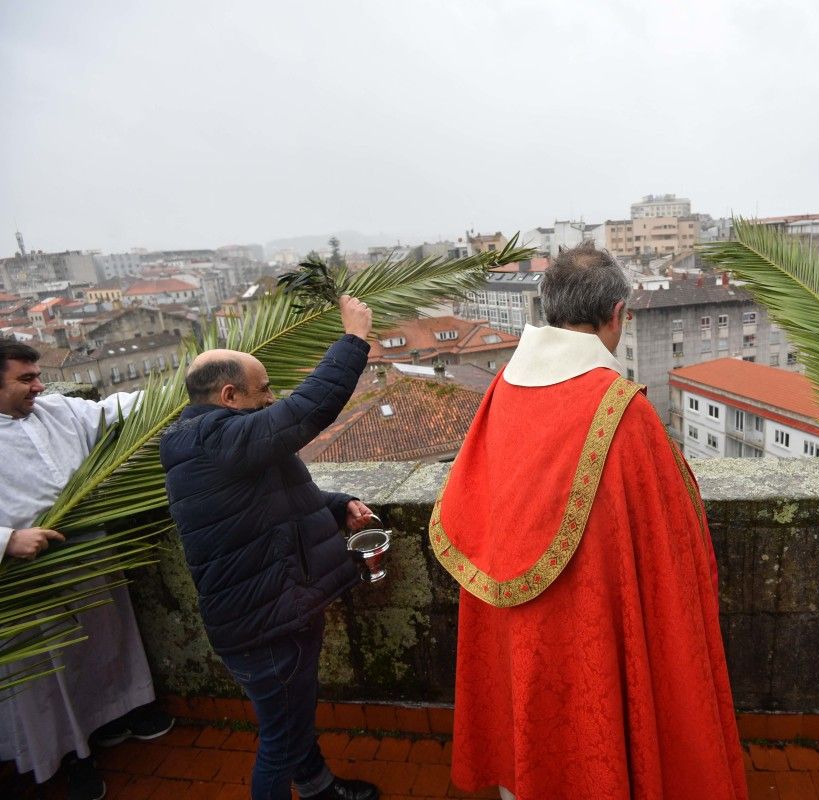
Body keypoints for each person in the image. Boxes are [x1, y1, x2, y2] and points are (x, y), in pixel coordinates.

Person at [429, 243, 748, 800]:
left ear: (547, 308)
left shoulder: (501, 389)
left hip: (513, 629)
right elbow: (673, 543)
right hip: (591, 623)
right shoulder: (623, 411)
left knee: (528, 753)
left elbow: (476, 503)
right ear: (618, 315)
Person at [159, 295, 380, 800]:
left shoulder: (214, 443)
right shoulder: (219, 441)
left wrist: (337, 504)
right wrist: (353, 340)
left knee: (290, 723)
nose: (271, 397)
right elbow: (307, 411)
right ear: (230, 395)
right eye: (263, 391)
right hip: (266, 625)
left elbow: (275, 501)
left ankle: (321, 788)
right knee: (282, 739)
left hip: (270, 613)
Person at [0, 339, 174, 800]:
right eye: (26, 378)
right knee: (46, 671)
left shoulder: (54, 411)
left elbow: (117, 408)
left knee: (105, 639)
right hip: (24, 576)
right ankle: (70, 755)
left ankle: (119, 713)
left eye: (37, 375)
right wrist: (7, 540)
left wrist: (193, 379)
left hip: (86, 552)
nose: (39, 385)